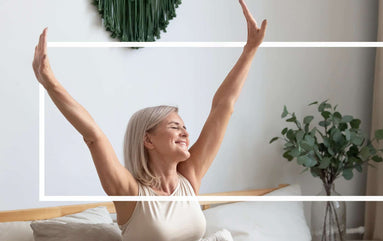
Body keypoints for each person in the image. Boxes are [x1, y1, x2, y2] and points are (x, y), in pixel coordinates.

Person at [32, 0, 267, 240]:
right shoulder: (130, 193)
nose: (185, 133)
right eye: (175, 127)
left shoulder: (189, 177)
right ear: (148, 140)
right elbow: (93, 136)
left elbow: (222, 108)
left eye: (184, 127)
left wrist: (249, 51)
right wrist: (51, 84)